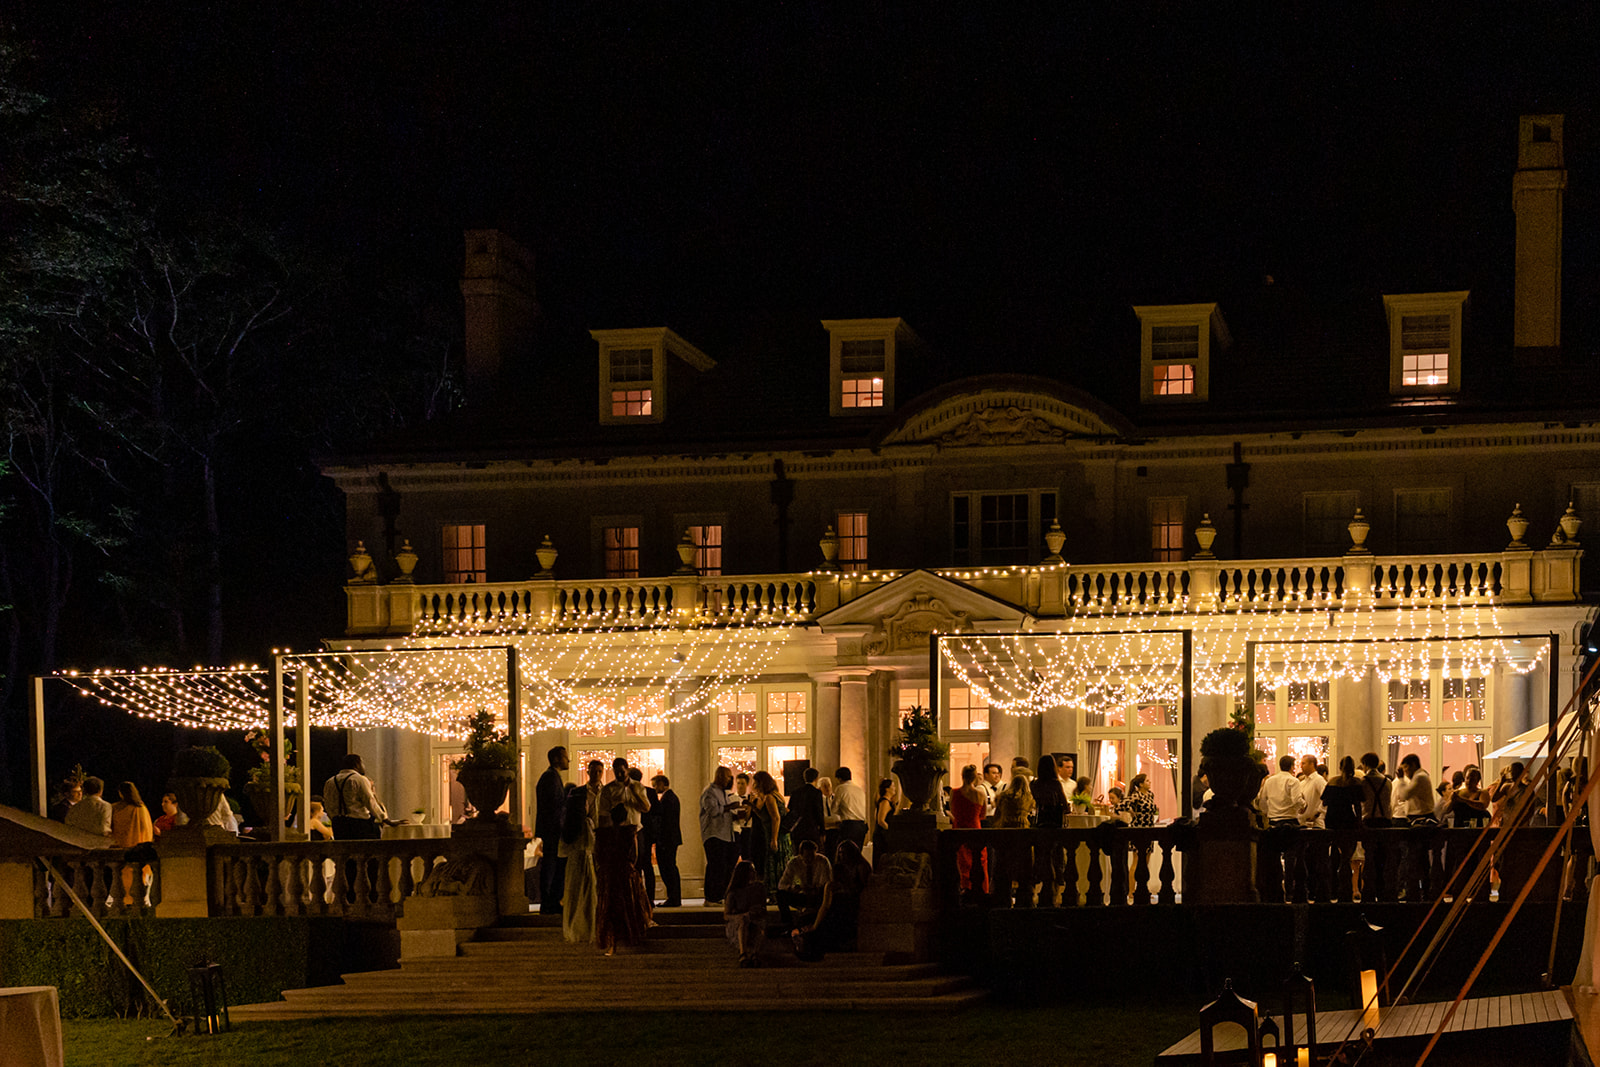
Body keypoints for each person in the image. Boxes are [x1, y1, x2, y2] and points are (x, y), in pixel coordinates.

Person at [792, 840, 872, 961]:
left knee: (824, 922)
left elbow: (862, 889)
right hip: (833, 903)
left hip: (848, 905)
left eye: (845, 853)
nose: (842, 856)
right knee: (807, 918)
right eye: (840, 853)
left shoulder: (860, 867)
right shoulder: (839, 868)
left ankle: (812, 947)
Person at [594, 801, 652, 956]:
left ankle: (611, 943)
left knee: (610, 908)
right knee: (629, 905)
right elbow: (634, 854)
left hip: (609, 873)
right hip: (624, 873)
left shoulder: (602, 834)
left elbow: (597, 855)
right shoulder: (629, 833)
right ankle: (631, 937)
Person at [561, 760, 603, 944]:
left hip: (600, 839)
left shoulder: (607, 792)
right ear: (588, 772)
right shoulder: (577, 793)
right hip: (583, 842)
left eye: (599, 771)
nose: (596, 775)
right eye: (593, 771)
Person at [535, 746, 569, 915]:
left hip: (551, 829)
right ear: (556, 759)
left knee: (553, 864)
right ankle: (549, 901)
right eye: (565, 757)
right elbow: (554, 807)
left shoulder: (551, 777)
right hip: (553, 830)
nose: (568, 760)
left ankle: (551, 900)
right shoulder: (551, 778)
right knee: (552, 865)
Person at [1030, 756, 1067, 905]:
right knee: (1056, 856)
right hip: (1054, 824)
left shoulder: (1034, 784)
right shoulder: (1055, 784)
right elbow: (1064, 804)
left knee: (1041, 855)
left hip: (1040, 823)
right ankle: (1055, 886)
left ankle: (1041, 884)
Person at [111, 781, 155, 905]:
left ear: (121, 793)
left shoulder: (116, 808)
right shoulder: (142, 808)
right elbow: (147, 831)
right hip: (138, 849)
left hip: (122, 848)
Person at [322, 754, 386, 839]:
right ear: (356, 764)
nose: (363, 767)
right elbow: (370, 801)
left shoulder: (330, 782)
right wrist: (384, 818)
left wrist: (334, 818)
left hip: (339, 825)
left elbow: (328, 804)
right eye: (362, 763)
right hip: (359, 824)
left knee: (344, 850)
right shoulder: (359, 779)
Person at [699, 767, 738, 905]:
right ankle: (710, 897)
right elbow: (712, 811)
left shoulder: (723, 793)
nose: (730, 780)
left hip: (725, 834)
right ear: (721, 777)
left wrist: (735, 815)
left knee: (723, 867)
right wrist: (729, 807)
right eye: (728, 777)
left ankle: (720, 894)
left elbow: (724, 813)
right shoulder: (710, 792)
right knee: (715, 866)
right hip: (714, 834)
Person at [751, 770, 794, 890]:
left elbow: (775, 818)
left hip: (775, 835)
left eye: (756, 783)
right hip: (782, 835)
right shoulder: (777, 795)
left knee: (775, 862)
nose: (755, 786)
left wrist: (774, 839)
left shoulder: (769, 798)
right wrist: (755, 810)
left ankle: (776, 890)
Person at [950, 764, 989, 899]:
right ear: (974, 777)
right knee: (979, 860)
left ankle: (965, 888)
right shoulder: (980, 794)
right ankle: (982, 889)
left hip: (959, 828)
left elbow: (953, 810)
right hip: (975, 827)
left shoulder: (954, 792)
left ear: (962, 776)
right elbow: (983, 814)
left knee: (962, 862)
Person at [776, 837, 832, 926]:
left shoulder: (823, 861)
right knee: (780, 895)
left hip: (817, 895)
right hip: (801, 894)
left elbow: (826, 882)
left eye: (812, 856)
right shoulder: (794, 863)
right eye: (807, 856)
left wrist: (814, 888)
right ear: (801, 855)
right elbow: (782, 884)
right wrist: (793, 888)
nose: (810, 859)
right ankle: (787, 922)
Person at [723, 859, 768, 967]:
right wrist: (742, 916)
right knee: (744, 923)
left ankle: (755, 954)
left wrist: (757, 910)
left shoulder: (759, 888)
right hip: (738, 923)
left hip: (755, 920)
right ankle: (743, 954)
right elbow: (726, 915)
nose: (754, 873)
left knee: (759, 926)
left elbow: (763, 909)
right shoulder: (734, 892)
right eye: (751, 871)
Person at [650, 773, 683, 907]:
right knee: (670, 867)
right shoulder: (671, 798)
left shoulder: (668, 799)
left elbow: (666, 821)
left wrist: (661, 839)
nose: (655, 788)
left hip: (667, 839)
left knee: (667, 868)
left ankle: (673, 897)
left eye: (656, 785)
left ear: (663, 784)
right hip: (671, 838)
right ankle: (674, 896)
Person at [631, 767, 659, 903]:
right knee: (647, 866)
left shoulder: (630, 791)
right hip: (647, 833)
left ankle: (638, 897)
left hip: (639, 831)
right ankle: (650, 897)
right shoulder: (651, 792)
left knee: (637, 866)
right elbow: (657, 814)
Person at [598, 757, 650, 828]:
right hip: (617, 830)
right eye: (616, 772)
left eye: (622, 772)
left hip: (636, 829)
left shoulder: (638, 786)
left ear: (627, 770)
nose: (619, 775)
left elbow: (646, 808)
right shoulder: (608, 789)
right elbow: (603, 813)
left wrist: (635, 793)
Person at [790, 766, 827, 850]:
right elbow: (819, 811)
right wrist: (822, 831)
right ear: (816, 778)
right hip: (812, 828)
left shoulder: (796, 792)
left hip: (798, 828)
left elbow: (790, 809)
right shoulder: (817, 793)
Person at [833, 767, 868, 851]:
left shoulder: (840, 788)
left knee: (844, 852)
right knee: (857, 853)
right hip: (861, 825)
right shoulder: (859, 789)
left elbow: (834, 809)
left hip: (849, 826)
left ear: (839, 778)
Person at [870, 778, 898, 862]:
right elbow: (880, 820)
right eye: (893, 786)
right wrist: (890, 831)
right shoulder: (884, 802)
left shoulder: (887, 802)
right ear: (887, 789)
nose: (895, 788)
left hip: (882, 835)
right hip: (882, 836)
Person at [731, 772, 755, 861]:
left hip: (747, 829)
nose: (740, 786)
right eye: (738, 783)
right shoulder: (731, 798)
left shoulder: (750, 799)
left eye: (742, 783)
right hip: (735, 829)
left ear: (747, 784)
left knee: (747, 855)